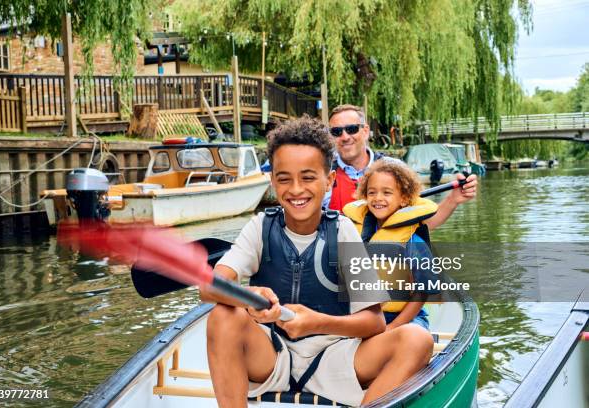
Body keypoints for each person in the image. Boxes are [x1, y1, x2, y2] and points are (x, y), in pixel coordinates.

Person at [202, 116, 434, 408]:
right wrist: (248, 296)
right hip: (271, 357)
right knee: (223, 315)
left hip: (335, 357)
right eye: (284, 178)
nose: (296, 189)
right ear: (273, 181)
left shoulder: (344, 231)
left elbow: (374, 322)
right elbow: (210, 287)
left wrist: (316, 323)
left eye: (309, 177)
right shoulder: (260, 226)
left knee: (417, 340)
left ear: (330, 181)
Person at [325, 104, 477, 232]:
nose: (345, 137)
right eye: (336, 132)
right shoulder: (323, 175)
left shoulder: (396, 168)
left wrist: (453, 199)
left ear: (365, 131)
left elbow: (426, 223)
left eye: (351, 129)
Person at [343, 159, 440, 331]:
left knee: (411, 336)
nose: (378, 198)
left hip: (404, 319)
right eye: (372, 192)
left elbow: (422, 293)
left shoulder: (414, 243)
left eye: (387, 193)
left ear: (403, 199)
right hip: (364, 317)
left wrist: (393, 327)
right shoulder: (354, 232)